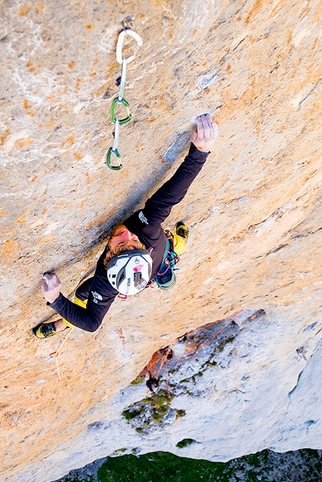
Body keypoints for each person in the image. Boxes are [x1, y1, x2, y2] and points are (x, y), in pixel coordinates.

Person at [33, 113, 218, 338]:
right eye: (134, 243)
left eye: (121, 246)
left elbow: (92, 323)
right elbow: (171, 195)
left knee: (84, 292)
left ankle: (65, 324)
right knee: (175, 247)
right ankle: (65, 324)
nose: (128, 235)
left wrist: (57, 301)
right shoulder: (146, 228)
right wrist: (199, 153)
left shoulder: (105, 281)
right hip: (155, 260)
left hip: (153, 262)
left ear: (109, 258)